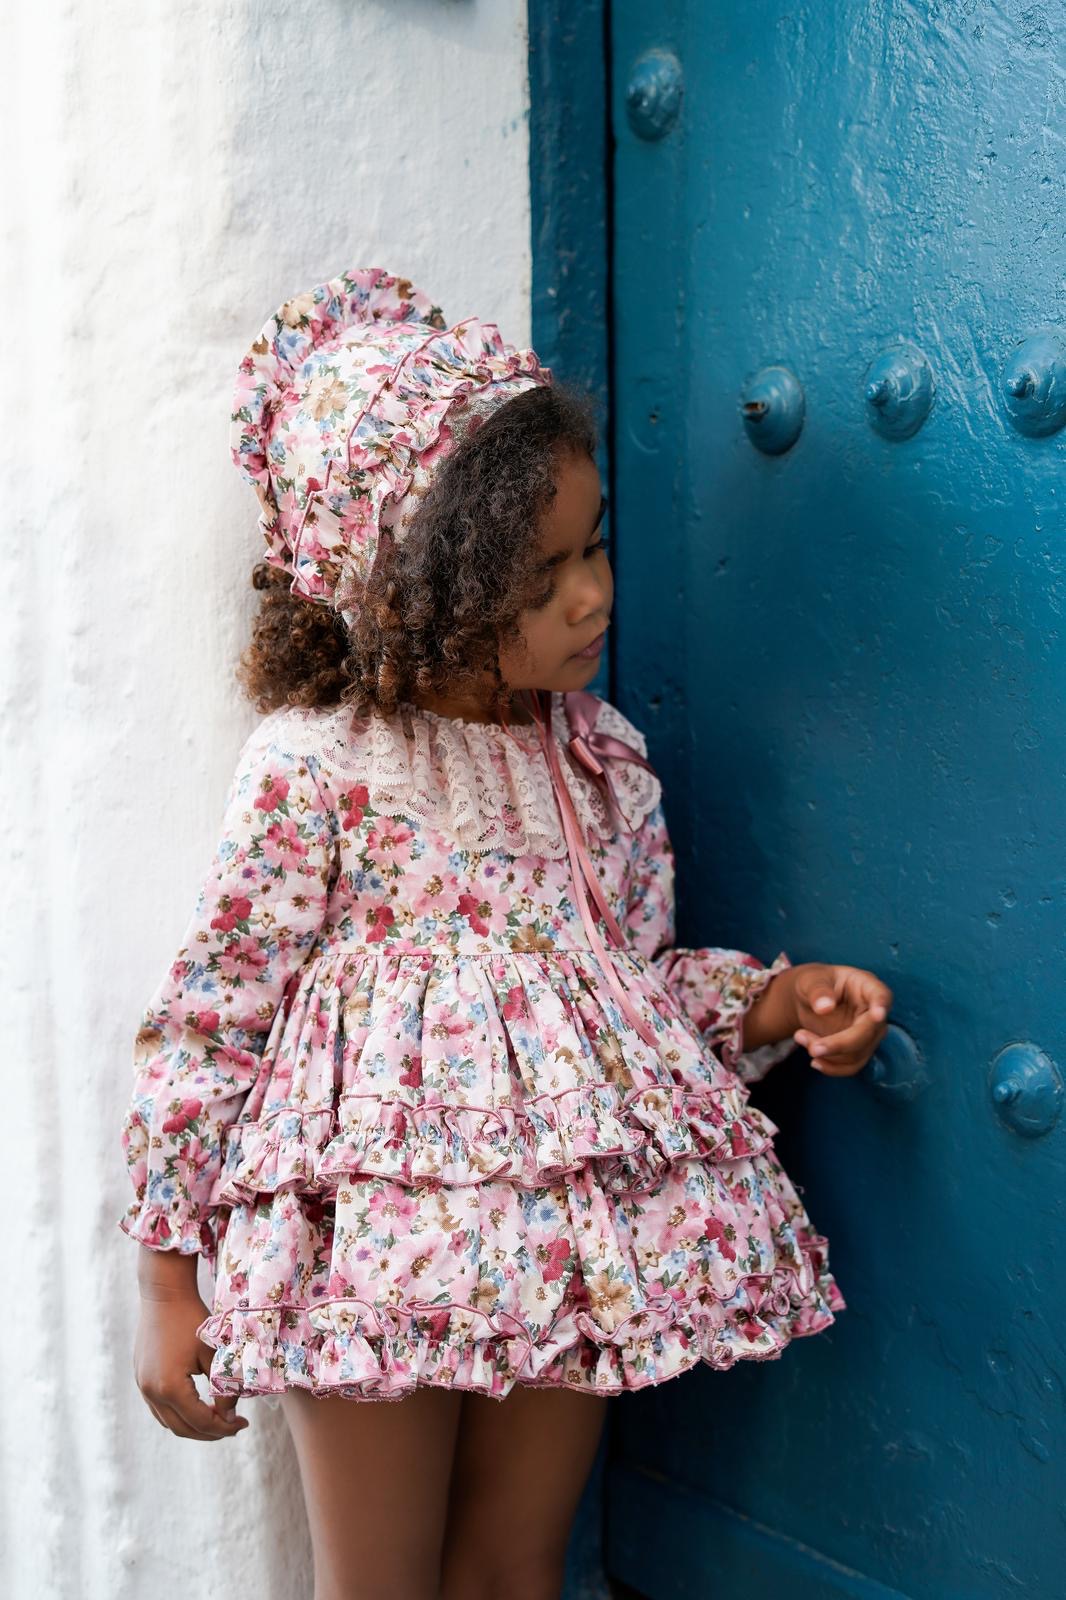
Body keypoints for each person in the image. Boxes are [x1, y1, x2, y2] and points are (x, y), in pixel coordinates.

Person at [118, 266, 893, 1600]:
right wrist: (167, 1281)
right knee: (377, 1583)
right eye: (542, 576)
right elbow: (213, 1018)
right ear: (420, 589)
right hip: (370, 1251)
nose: (591, 596)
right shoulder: (320, 768)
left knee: (513, 1568)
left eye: (594, 547)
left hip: (560, 1244)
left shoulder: (600, 764)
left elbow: (635, 987)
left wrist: (772, 1006)